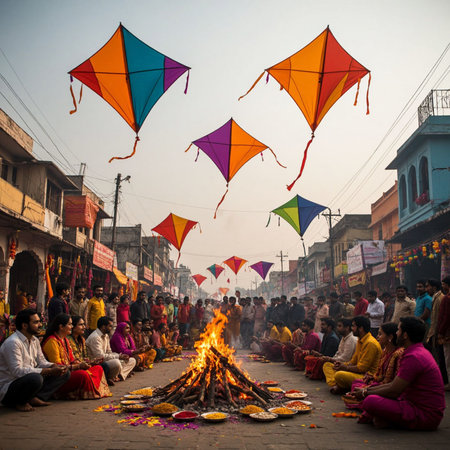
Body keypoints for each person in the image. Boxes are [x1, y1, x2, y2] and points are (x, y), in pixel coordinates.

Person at [355, 316, 445, 430]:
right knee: (370, 396)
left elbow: (394, 390)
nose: (396, 333)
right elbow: (393, 385)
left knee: (370, 401)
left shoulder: (414, 356)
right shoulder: (415, 351)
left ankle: (389, 421)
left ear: (405, 335)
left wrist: (365, 393)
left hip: (425, 415)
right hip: (412, 404)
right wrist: (366, 391)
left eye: (398, 330)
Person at [0, 309, 69, 411]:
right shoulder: (13, 343)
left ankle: (34, 398)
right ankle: (20, 402)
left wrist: (53, 366)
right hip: (9, 388)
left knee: (65, 373)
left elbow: (41, 361)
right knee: (36, 379)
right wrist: (48, 371)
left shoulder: (34, 340)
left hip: (27, 380)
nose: (40, 325)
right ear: (24, 326)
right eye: (35, 322)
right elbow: (17, 371)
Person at [42, 314, 111, 399]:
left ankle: (93, 390)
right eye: (70, 324)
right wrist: (79, 366)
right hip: (60, 376)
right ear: (61, 327)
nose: (71, 326)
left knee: (98, 368)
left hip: (70, 369)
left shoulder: (65, 340)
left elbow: (72, 359)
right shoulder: (52, 341)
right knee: (83, 375)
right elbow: (58, 367)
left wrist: (89, 363)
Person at [343, 322, 404, 409]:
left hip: (386, 386)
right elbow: (378, 375)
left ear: (390, 337)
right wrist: (371, 378)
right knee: (356, 383)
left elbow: (388, 381)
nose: (377, 337)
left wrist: (366, 390)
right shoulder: (385, 351)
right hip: (377, 382)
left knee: (363, 392)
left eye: (380, 334)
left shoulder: (397, 354)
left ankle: (364, 402)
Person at [323, 315, 382, 394]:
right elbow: (353, 361)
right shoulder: (360, 340)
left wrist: (345, 367)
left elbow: (362, 369)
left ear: (360, 328)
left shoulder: (370, 343)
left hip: (366, 376)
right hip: (356, 372)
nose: (352, 329)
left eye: (353, 326)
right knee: (327, 365)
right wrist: (341, 365)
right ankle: (340, 385)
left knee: (339, 375)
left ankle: (340, 385)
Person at [67, 315, 113, 386]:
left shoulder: (82, 339)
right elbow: (72, 358)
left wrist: (91, 361)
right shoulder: (68, 340)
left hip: (84, 363)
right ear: (73, 327)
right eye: (81, 325)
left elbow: (85, 356)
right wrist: (83, 363)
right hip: (75, 366)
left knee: (101, 366)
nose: (84, 327)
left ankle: (100, 382)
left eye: (84, 324)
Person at [86, 316, 136, 381]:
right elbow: (99, 356)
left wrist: (120, 356)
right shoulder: (95, 337)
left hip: (106, 359)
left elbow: (109, 352)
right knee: (116, 362)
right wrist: (118, 356)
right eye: (110, 326)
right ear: (103, 327)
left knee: (132, 360)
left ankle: (120, 375)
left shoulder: (106, 335)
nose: (111, 328)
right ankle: (115, 376)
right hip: (97, 362)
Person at [426, 279, 447, 384]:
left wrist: (439, 333)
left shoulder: (440, 299)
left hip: (437, 333)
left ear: (434, 287)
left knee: (441, 358)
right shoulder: (436, 297)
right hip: (434, 332)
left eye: (427, 286)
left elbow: (441, 318)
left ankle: (443, 380)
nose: (426, 289)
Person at [437, 276, 450, 390]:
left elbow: (445, 317)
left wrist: (440, 331)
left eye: (444, 284)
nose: (442, 286)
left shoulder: (447, 298)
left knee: (448, 358)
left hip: (447, 333)